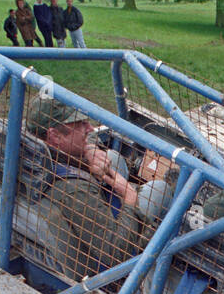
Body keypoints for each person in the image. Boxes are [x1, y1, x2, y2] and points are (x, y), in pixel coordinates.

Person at [19, 100, 168, 279]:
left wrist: (88, 151)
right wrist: (129, 197)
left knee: (113, 158)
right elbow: (116, 255)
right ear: (55, 136)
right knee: (160, 189)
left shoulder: (24, 150)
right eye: (81, 125)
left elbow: (87, 139)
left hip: (68, 227)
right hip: (102, 268)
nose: (90, 128)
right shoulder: (75, 191)